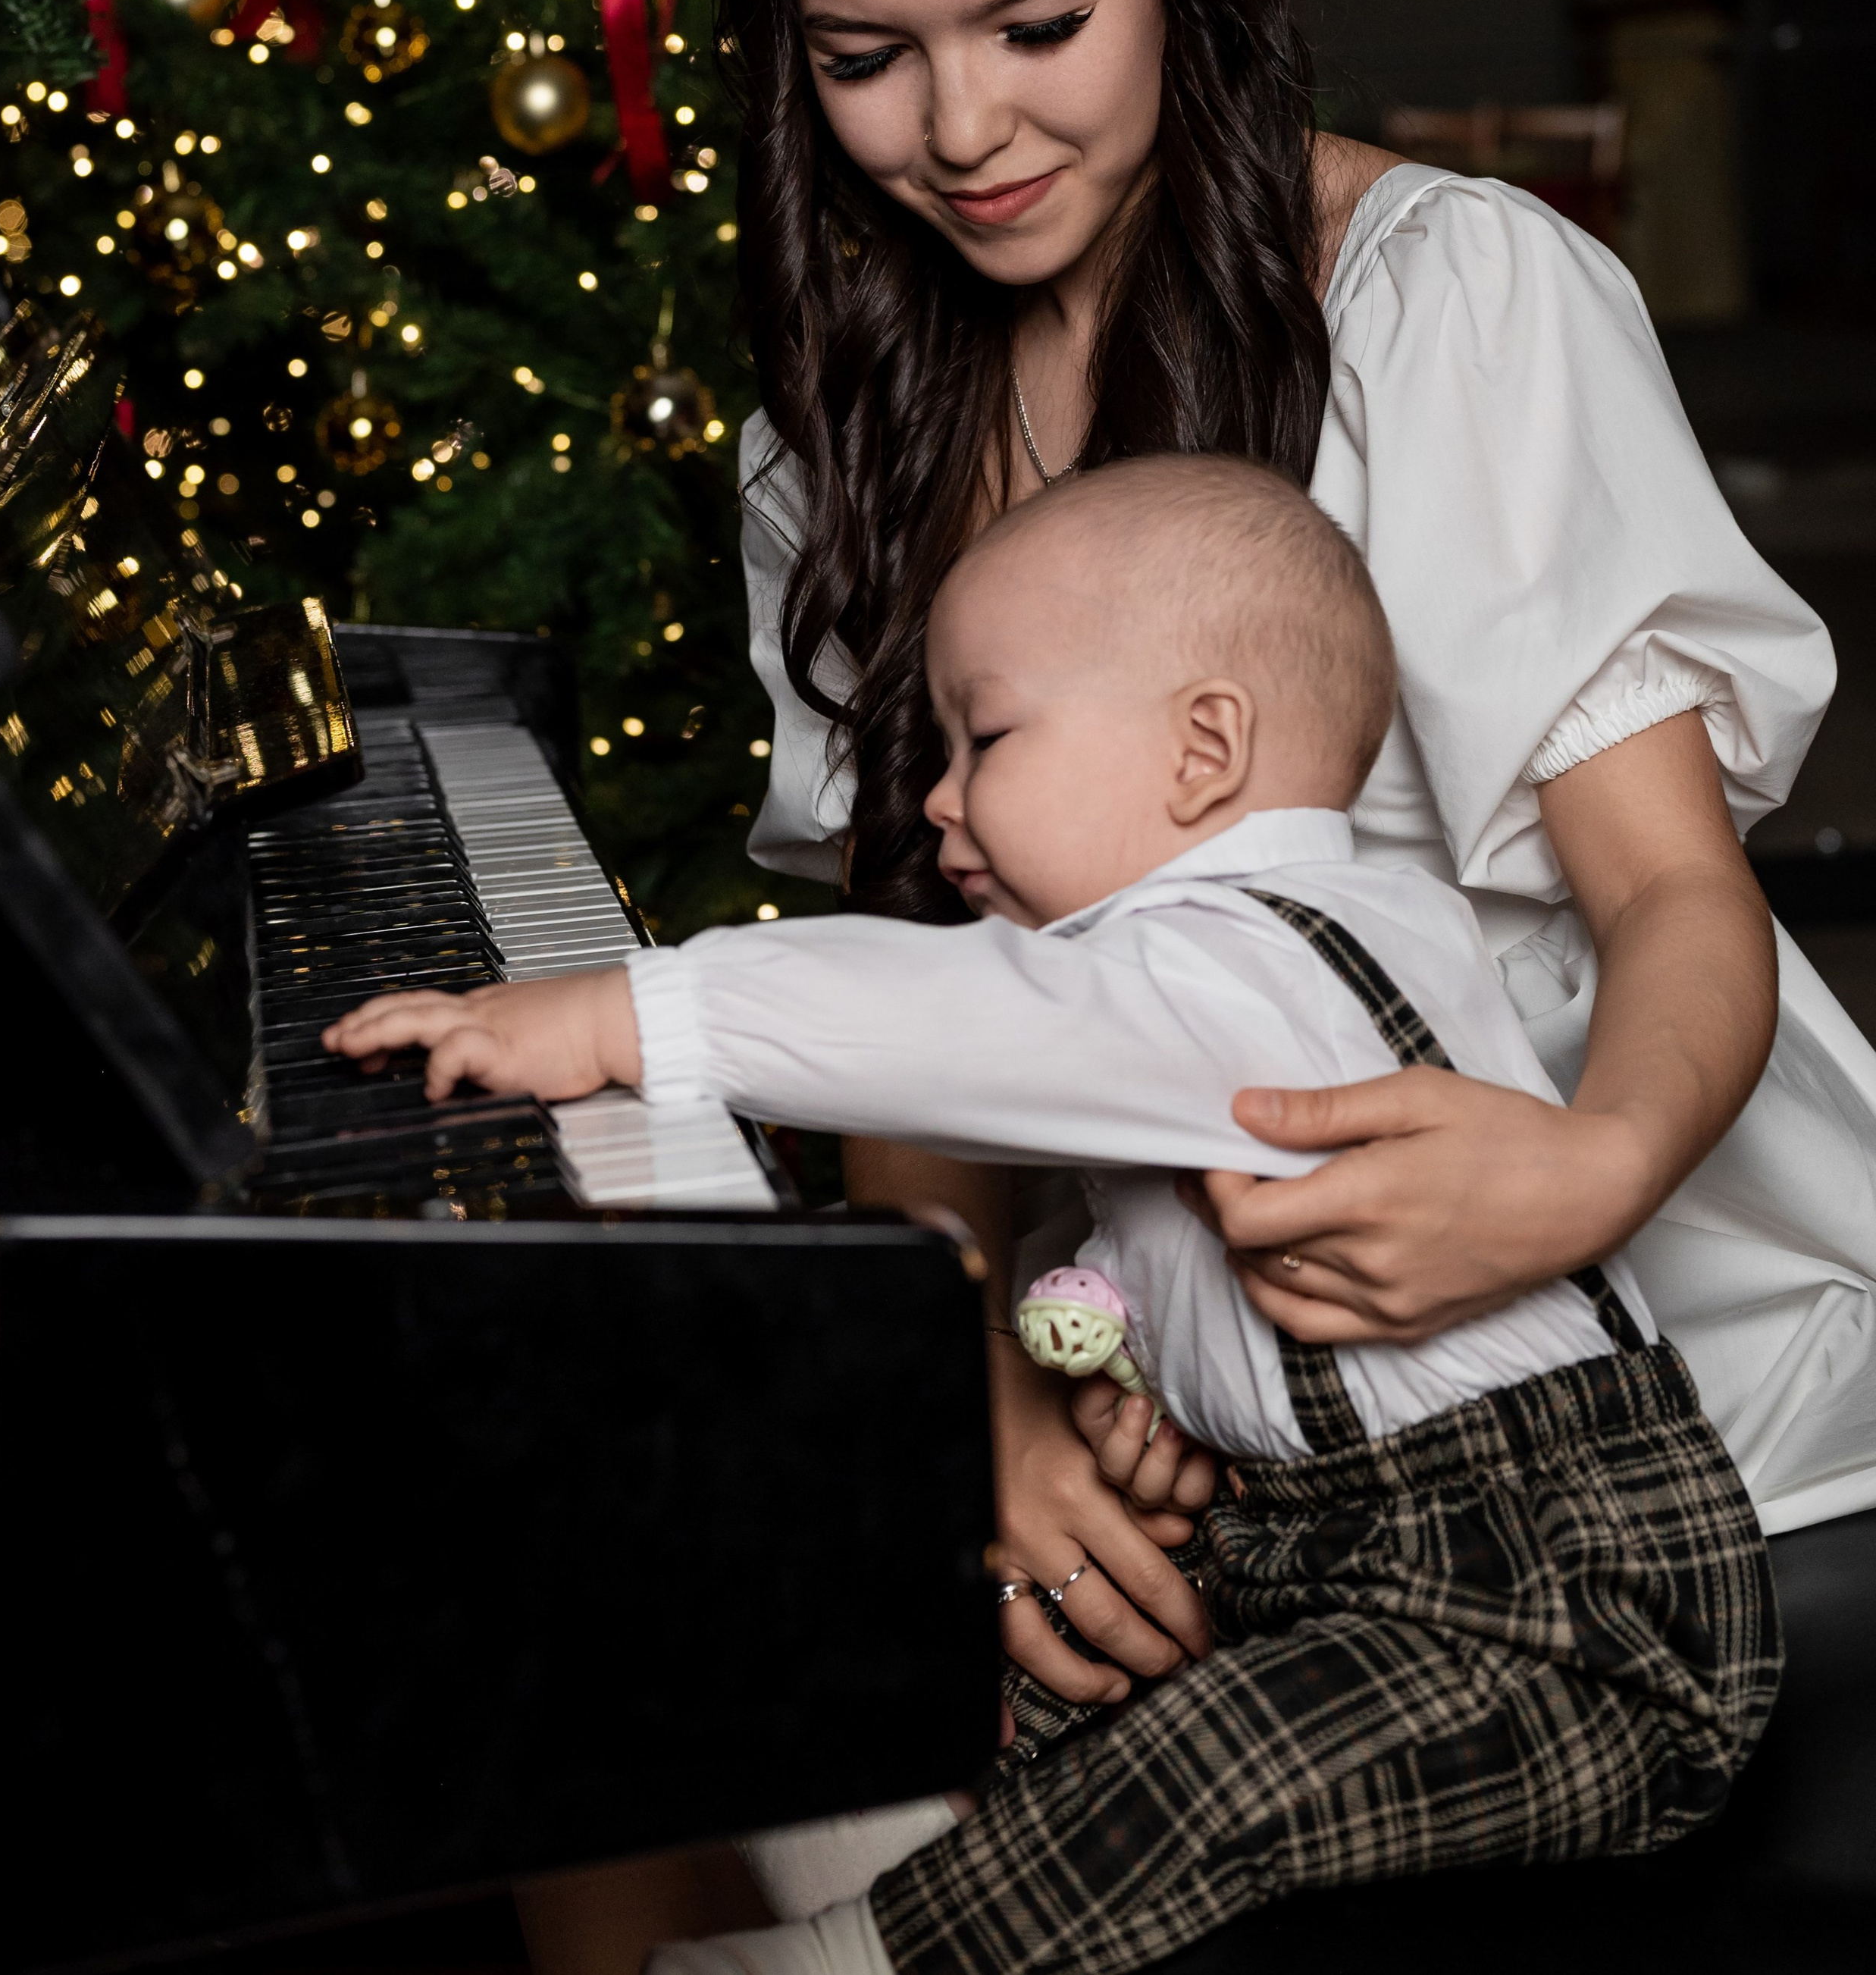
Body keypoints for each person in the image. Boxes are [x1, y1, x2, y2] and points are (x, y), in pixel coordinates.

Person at [326, 454, 1780, 1975]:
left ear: (1201, 749)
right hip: (1344, 1548)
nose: (940, 797)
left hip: (1571, 1612)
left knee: (1217, 1766)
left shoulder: (1235, 958)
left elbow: (937, 1015)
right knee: (1057, 1707)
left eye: (988, 735)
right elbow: (1202, 1272)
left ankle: (847, 1959)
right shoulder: (1234, 965)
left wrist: (623, 1016)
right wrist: (1150, 1389)